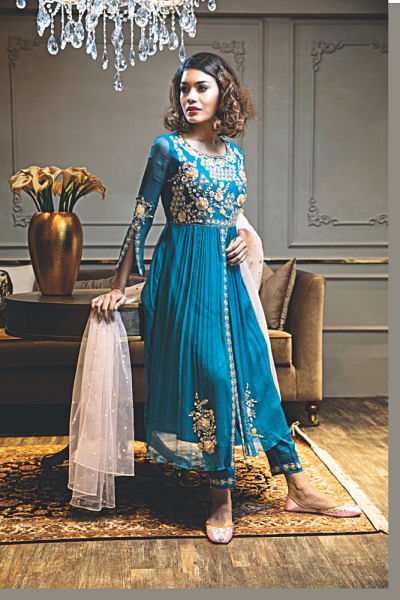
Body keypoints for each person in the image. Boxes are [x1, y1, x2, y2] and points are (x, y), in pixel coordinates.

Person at [91, 53, 361, 544]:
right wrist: (118, 284)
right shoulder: (167, 148)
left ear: (223, 95)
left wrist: (241, 238)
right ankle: (221, 497)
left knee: (258, 373)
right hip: (183, 278)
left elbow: (233, 215)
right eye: (184, 89)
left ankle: (297, 486)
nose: (190, 97)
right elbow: (141, 218)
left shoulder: (234, 154)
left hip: (228, 277)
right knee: (214, 376)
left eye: (202, 88)